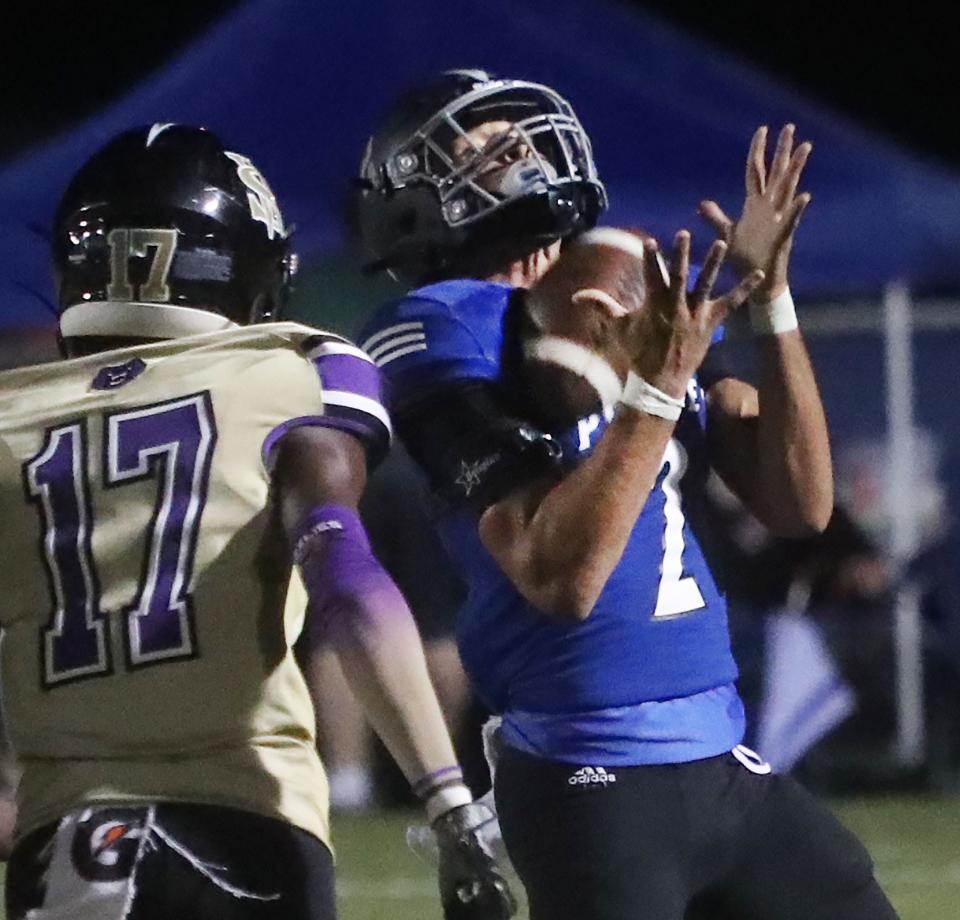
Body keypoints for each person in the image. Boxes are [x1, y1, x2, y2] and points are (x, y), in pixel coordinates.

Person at [353, 70, 899, 919]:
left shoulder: (625, 279)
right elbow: (559, 578)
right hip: (590, 776)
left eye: (520, 140)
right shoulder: (434, 325)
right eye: (482, 149)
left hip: (721, 754)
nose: (520, 156)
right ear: (415, 196)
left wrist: (771, 301)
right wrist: (653, 389)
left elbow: (799, 505)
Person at [0, 124, 514, 920]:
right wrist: (448, 799)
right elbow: (345, 580)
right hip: (248, 826)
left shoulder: (12, 415)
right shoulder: (296, 369)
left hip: (69, 835)